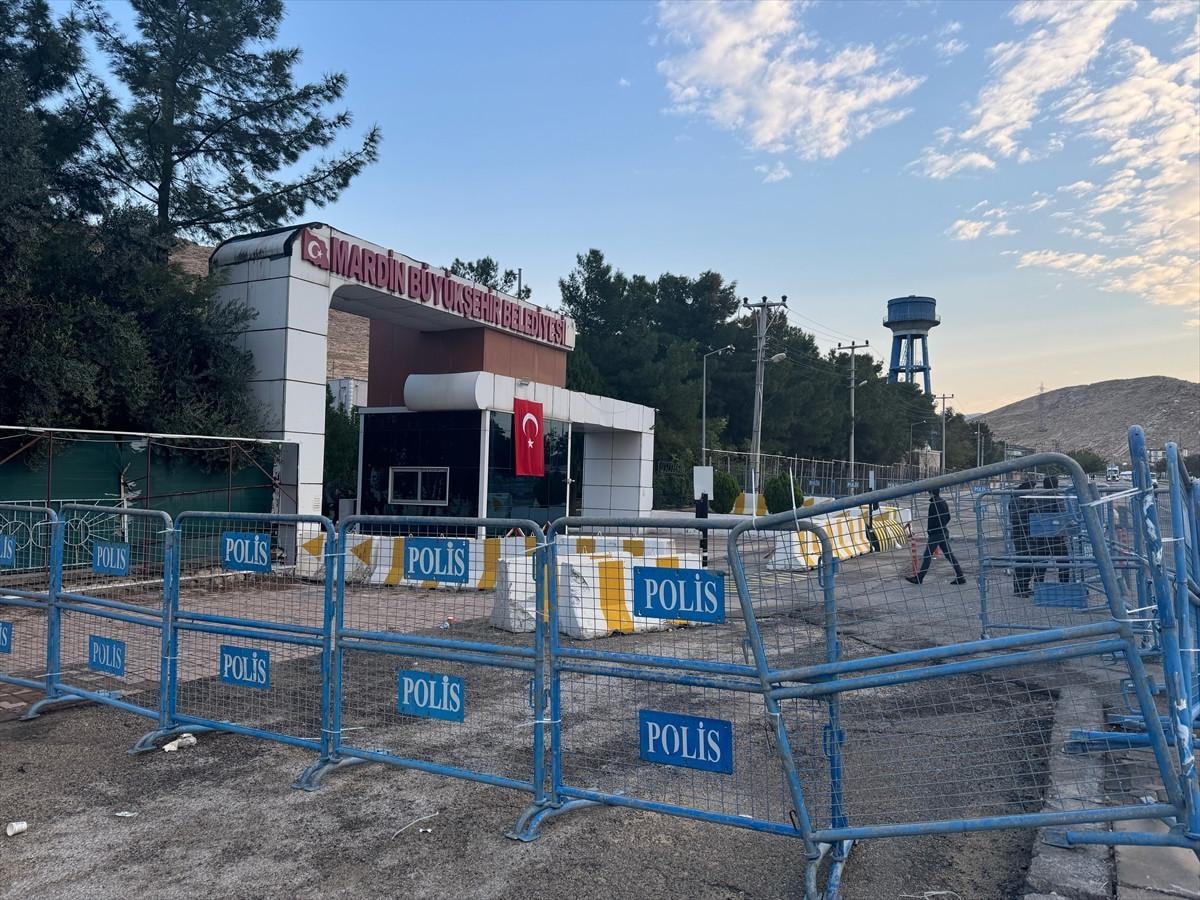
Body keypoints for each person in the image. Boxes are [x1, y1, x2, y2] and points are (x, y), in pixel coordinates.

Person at [905, 488, 966, 585]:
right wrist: (942, 525)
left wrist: (931, 530)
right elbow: (948, 517)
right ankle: (960, 576)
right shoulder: (943, 502)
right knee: (949, 555)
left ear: (930, 492)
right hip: (943, 531)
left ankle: (919, 578)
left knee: (927, 555)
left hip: (935, 533)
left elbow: (932, 519)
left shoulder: (934, 504)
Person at [1010, 479, 1036, 597]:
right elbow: (1016, 517)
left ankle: (1025, 585)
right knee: (1022, 560)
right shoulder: (1016, 500)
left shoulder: (1026, 499)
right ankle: (1019, 588)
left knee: (1030, 560)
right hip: (1020, 533)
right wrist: (1029, 508)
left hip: (1028, 532)